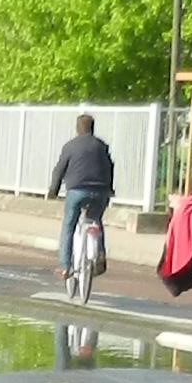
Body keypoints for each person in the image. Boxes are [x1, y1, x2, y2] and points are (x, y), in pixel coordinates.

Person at [45, 112, 116, 277]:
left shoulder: (70, 146)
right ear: (92, 128)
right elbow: (110, 167)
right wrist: (109, 188)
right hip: (100, 192)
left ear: (77, 129)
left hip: (77, 191)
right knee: (96, 221)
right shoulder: (101, 146)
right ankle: (100, 256)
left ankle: (65, 266)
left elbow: (59, 170)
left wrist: (53, 191)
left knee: (69, 224)